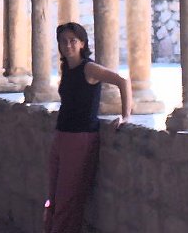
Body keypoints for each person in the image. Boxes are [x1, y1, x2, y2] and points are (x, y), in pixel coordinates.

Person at [43, 21, 132, 233]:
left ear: (82, 43)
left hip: (80, 139)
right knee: (54, 197)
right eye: (63, 41)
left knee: (67, 199)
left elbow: (122, 81)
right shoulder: (67, 68)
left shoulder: (88, 68)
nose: (68, 45)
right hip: (62, 136)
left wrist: (125, 116)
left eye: (73, 40)